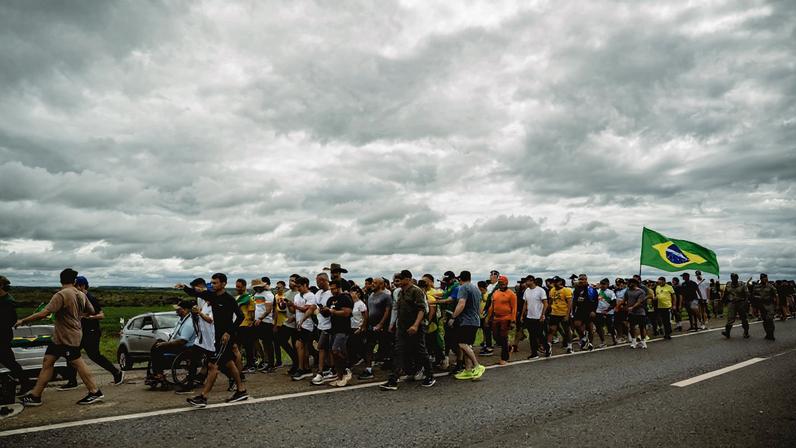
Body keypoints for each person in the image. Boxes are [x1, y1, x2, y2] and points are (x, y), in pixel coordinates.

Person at [16, 268, 104, 406]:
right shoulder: (81, 294)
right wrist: (78, 315)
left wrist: (24, 320)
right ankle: (35, 395)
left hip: (67, 336)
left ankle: (94, 391)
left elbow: (44, 313)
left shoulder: (61, 294)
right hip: (62, 336)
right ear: (74, 281)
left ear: (60, 280)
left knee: (77, 362)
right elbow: (91, 311)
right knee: (48, 362)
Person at [178, 273, 247, 407]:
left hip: (225, 338)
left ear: (223, 284)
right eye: (212, 283)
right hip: (217, 337)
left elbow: (240, 317)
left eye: (215, 283)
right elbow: (196, 293)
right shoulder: (212, 296)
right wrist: (184, 287)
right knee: (229, 364)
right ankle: (241, 390)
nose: (213, 285)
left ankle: (203, 397)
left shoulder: (229, 299)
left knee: (213, 366)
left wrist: (228, 332)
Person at [379, 270, 435, 390]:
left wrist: (415, 325)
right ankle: (393, 380)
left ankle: (430, 375)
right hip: (403, 327)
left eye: (402, 278)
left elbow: (422, 309)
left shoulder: (416, 291)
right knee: (398, 351)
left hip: (416, 327)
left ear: (408, 279)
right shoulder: (400, 293)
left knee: (420, 351)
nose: (398, 281)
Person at [146, 299, 197, 386]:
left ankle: (159, 374)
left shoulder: (189, 323)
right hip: (178, 344)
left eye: (178, 309)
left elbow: (182, 341)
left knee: (158, 348)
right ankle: (157, 373)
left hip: (185, 348)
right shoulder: (182, 320)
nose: (176, 310)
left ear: (185, 310)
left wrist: (165, 344)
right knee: (157, 344)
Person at [0, 276, 34, 397]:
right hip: (4, 335)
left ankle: (25, 382)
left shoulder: (8, 301)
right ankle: (25, 382)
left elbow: (10, 320)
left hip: (3, 335)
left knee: (8, 361)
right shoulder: (4, 299)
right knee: (9, 361)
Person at [450, 271, 485, 380]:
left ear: (460, 279)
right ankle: (468, 370)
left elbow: (461, 303)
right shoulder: (475, 289)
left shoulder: (463, 288)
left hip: (467, 321)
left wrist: (453, 317)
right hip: (475, 320)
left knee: (462, 344)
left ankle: (477, 366)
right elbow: (479, 306)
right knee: (467, 345)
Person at [322, 279, 353, 387]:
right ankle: (340, 376)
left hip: (343, 329)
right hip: (334, 328)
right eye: (331, 289)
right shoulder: (330, 300)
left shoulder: (345, 298)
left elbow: (346, 313)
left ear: (339, 287)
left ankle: (346, 369)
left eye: (334, 288)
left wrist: (332, 311)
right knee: (333, 353)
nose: (332, 291)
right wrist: (324, 311)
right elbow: (328, 314)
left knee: (336, 350)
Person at [360, 277, 391, 380]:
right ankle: (368, 369)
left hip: (382, 326)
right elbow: (368, 311)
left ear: (381, 285)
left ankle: (393, 369)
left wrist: (381, 324)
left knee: (386, 347)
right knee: (369, 346)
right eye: (372, 282)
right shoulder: (370, 296)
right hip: (371, 326)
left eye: (375, 283)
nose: (372, 284)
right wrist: (365, 325)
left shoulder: (386, 296)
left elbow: (387, 311)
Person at [311, 273, 335, 386]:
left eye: (318, 281)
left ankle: (320, 371)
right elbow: (315, 307)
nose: (316, 283)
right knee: (326, 349)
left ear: (324, 281)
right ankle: (330, 368)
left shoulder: (331, 294)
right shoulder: (318, 293)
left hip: (329, 325)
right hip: (320, 324)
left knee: (322, 347)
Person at [486, 275, 516, 365]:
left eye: (502, 283)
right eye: (499, 283)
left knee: (503, 338)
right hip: (496, 317)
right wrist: (488, 317)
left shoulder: (511, 294)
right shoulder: (496, 293)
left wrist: (513, 321)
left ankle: (504, 358)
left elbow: (514, 308)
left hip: (506, 318)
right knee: (496, 337)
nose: (501, 285)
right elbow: (492, 306)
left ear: (506, 283)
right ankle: (509, 347)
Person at [290, 277, 316, 380]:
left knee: (299, 345)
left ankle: (301, 368)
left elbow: (306, 309)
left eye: (299, 286)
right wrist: (289, 305)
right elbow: (294, 310)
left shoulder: (310, 296)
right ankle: (306, 368)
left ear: (305, 285)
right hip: (298, 324)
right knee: (303, 347)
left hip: (307, 324)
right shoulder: (297, 296)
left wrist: (294, 306)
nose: (298, 288)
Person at [251, 278, 276, 372]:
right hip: (257, 321)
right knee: (262, 342)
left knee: (268, 343)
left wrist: (260, 319)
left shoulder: (268, 295)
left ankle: (271, 365)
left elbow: (268, 310)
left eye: (257, 287)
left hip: (266, 321)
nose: (256, 289)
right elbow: (257, 307)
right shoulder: (257, 294)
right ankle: (266, 361)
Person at [520, 276, 548, 358]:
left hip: (538, 316)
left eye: (527, 281)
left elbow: (545, 303)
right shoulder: (527, 291)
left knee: (539, 335)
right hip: (529, 316)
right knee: (531, 336)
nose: (525, 283)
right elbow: (525, 303)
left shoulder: (540, 290)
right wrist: (522, 315)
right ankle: (534, 353)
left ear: (532, 281)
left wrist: (543, 314)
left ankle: (547, 348)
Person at [234, 279, 256, 374]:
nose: (237, 288)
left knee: (248, 346)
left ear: (244, 286)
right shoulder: (237, 297)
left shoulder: (249, 298)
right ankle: (241, 364)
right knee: (238, 346)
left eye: (239, 286)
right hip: (238, 324)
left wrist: (251, 321)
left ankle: (251, 365)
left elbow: (252, 312)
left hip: (246, 324)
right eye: (236, 286)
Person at [547, 276, 573, 354]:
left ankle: (569, 346)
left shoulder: (566, 290)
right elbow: (550, 301)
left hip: (563, 313)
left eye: (556, 282)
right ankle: (548, 346)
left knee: (567, 330)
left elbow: (569, 304)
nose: (554, 284)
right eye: (553, 282)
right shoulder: (552, 290)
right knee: (551, 329)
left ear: (560, 282)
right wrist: (548, 310)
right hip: (554, 313)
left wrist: (567, 315)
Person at [571, 274, 597, 351]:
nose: (582, 281)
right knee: (577, 324)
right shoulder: (577, 289)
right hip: (579, 310)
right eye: (580, 279)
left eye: (583, 279)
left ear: (586, 280)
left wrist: (593, 310)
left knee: (589, 327)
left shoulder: (591, 289)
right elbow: (574, 301)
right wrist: (573, 310)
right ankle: (584, 338)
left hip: (589, 310)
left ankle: (590, 344)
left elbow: (595, 300)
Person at [722, 273, 750, 339]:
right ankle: (727, 333)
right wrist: (723, 301)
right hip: (731, 303)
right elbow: (726, 293)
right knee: (730, 318)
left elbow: (747, 294)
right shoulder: (728, 284)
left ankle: (746, 332)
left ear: (737, 278)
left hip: (741, 303)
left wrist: (746, 303)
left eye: (735, 278)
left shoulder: (742, 284)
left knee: (743, 318)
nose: (733, 279)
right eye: (732, 278)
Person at [753, 273, 779, 341]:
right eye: (763, 278)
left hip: (770, 304)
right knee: (765, 320)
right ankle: (768, 333)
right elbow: (753, 297)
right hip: (761, 305)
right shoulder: (756, 287)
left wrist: (777, 305)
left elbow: (776, 296)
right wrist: (755, 307)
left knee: (769, 319)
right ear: (761, 279)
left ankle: (771, 334)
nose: (765, 279)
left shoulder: (770, 286)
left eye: (766, 278)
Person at [625, 278, 648, 349]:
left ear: (634, 283)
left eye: (630, 283)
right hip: (631, 312)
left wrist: (632, 307)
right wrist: (622, 305)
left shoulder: (641, 291)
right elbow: (625, 299)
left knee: (642, 327)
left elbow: (639, 301)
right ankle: (634, 341)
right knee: (632, 327)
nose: (628, 284)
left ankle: (643, 342)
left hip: (640, 312)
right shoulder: (627, 291)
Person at [594, 278, 617, 346]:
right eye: (601, 284)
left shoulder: (611, 292)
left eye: (604, 284)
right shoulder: (597, 291)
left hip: (608, 312)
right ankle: (603, 341)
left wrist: (607, 310)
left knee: (610, 327)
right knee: (599, 327)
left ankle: (614, 339)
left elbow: (614, 303)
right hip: (598, 311)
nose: (602, 285)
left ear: (607, 285)